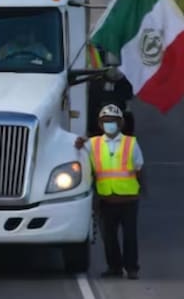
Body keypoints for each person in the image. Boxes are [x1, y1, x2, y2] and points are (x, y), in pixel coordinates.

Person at [75, 104, 142, 279]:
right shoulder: (93, 144)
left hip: (128, 200)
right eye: (106, 121)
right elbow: (78, 150)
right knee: (109, 237)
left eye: (113, 121)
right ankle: (114, 267)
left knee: (130, 236)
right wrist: (79, 142)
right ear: (100, 124)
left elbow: (138, 167)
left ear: (120, 124)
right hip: (106, 200)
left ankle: (132, 268)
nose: (109, 124)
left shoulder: (131, 143)